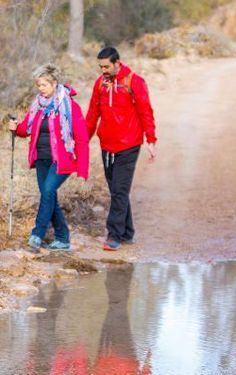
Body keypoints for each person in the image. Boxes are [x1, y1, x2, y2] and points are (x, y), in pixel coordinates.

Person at [8, 63, 89, 252]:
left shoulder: (70, 106)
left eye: (43, 85)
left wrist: (83, 170)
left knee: (47, 192)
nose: (40, 89)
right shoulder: (38, 105)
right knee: (49, 195)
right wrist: (15, 127)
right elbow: (26, 128)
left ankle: (37, 234)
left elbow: (82, 139)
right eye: (38, 85)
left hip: (62, 161)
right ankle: (62, 238)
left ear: (54, 84)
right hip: (42, 159)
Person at [85, 46, 157, 251]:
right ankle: (127, 232)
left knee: (119, 190)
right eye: (101, 67)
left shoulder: (135, 81)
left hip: (129, 145)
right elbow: (92, 114)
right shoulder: (100, 84)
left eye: (107, 66)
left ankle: (114, 235)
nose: (103, 70)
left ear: (118, 63)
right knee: (117, 191)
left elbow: (146, 112)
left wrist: (151, 139)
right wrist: (83, 140)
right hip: (107, 145)